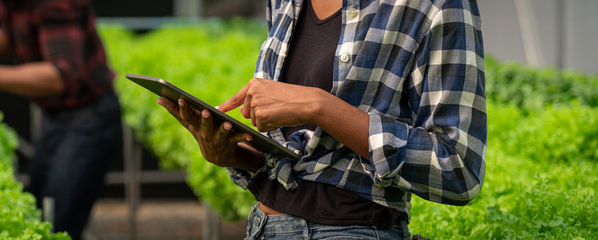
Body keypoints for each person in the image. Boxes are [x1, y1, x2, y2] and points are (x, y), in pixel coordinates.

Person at [157, 0, 486, 239]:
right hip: (262, 226)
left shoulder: (435, 6)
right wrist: (229, 153)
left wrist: (320, 106)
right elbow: (299, 162)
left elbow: (459, 169)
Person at [0, 0, 122, 238]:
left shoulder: (56, 4)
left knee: (58, 224)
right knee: (40, 211)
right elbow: (14, 32)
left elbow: (63, 74)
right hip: (55, 115)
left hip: (89, 116)